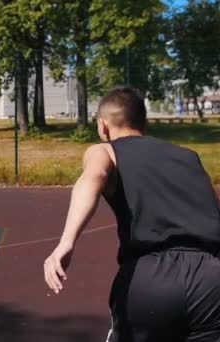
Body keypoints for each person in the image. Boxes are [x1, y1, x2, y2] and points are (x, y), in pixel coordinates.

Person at [43, 86, 220, 341]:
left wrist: (66, 242)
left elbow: (93, 177)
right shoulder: (189, 157)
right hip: (212, 280)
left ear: (103, 126)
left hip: (151, 278)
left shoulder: (104, 151)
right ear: (144, 122)